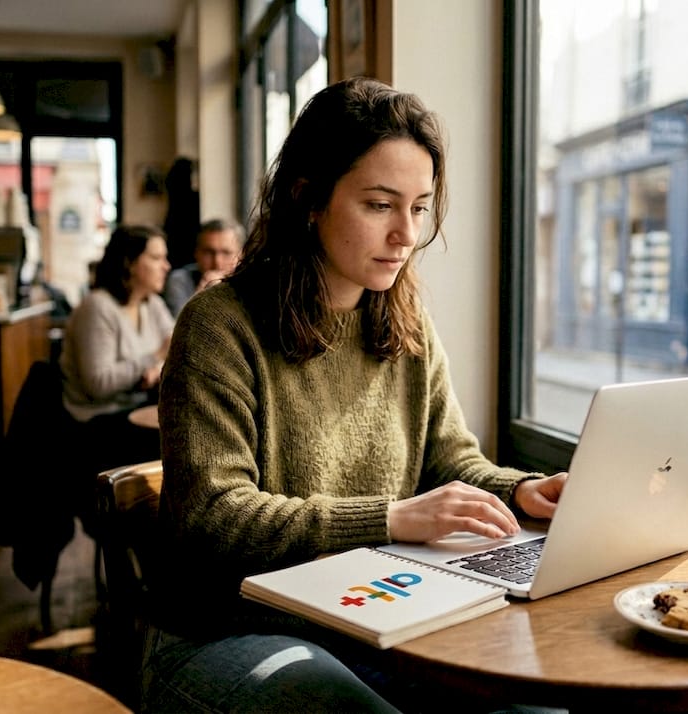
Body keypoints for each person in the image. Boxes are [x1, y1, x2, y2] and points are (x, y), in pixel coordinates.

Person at [142, 77, 568, 713]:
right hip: (223, 633)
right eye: (379, 205)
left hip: (369, 623)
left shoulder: (405, 320)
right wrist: (391, 518)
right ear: (308, 198)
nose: (406, 234)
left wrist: (521, 490)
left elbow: (452, 462)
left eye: (419, 207)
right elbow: (213, 517)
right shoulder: (219, 325)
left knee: (537, 705)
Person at [58, 224, 175, 475]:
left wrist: (157, 367)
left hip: (134, 409)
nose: (166, 266)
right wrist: (154, 358)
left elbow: (175, 348)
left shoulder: (151, 304)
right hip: (96, 422)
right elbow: (98, 383)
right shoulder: (97, 307)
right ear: (129, 264)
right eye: (156, 258)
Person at [162, 216, 244, 316]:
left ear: (241, 255)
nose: (217, 262)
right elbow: (180, 323)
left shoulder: (250, 283)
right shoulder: (180, 280)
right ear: (196, 253)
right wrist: (203, 292)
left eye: (226, 253)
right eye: (208, 252)